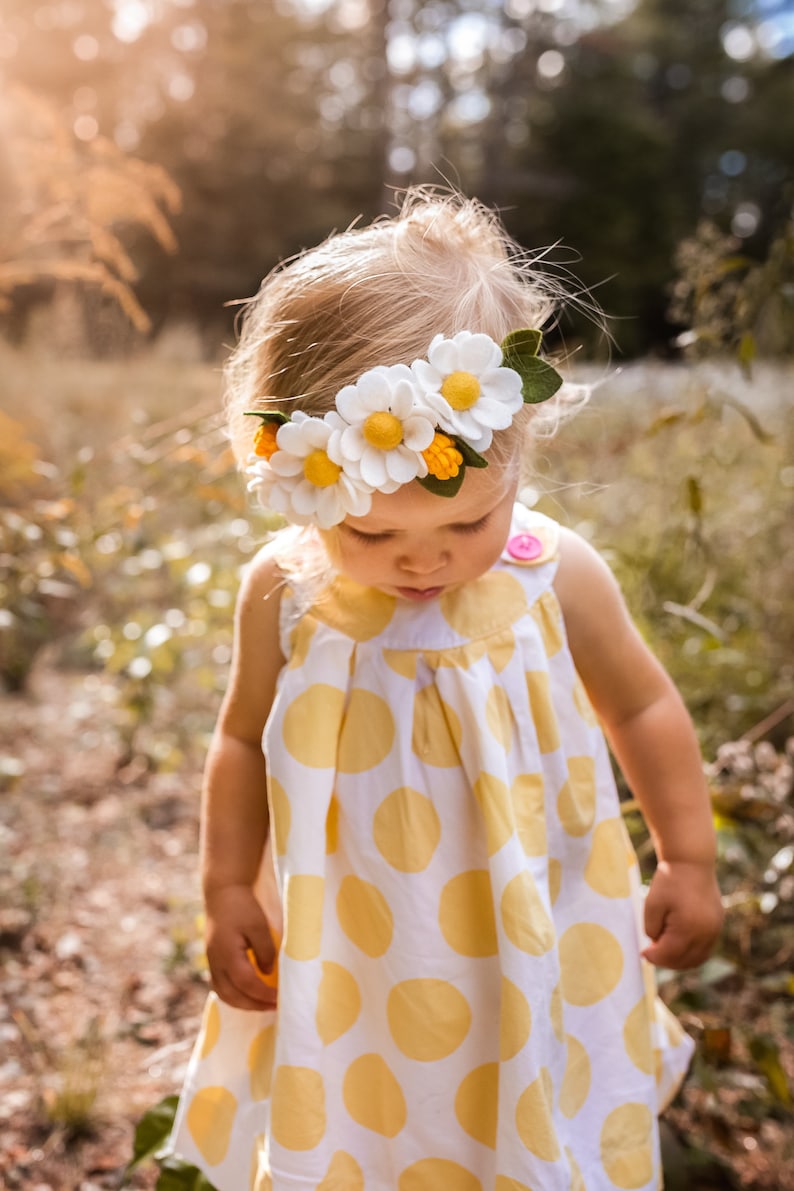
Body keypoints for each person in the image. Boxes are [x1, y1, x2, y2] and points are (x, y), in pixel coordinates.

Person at [170, 189, 723, 1191]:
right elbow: (241, 740)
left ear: (516, 445)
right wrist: (224, 886)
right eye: (371, 536)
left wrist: (685, 855)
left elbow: (638, 705)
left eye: (463, 527)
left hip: (531, 923)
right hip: (356, 941)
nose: (421, 564)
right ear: (297, 479)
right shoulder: (286, 592)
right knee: (374, 1115)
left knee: (524, 1093)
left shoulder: (550, 573)